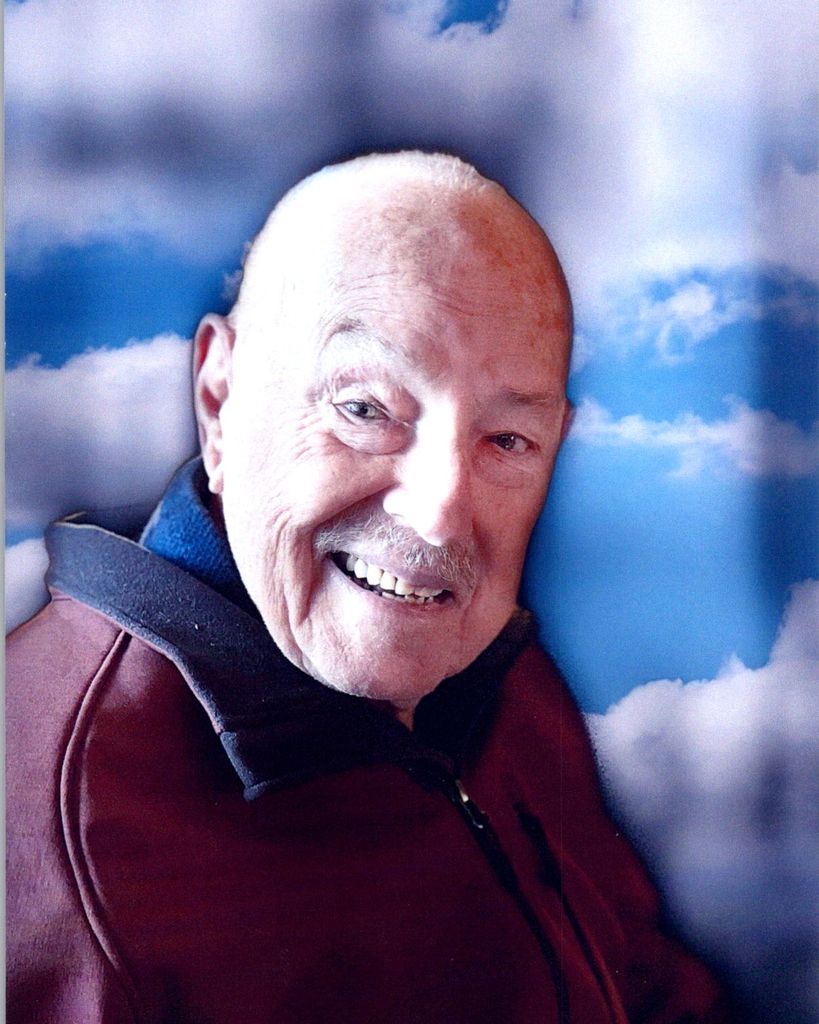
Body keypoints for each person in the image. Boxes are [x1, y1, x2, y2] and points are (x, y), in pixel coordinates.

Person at [7, 151, 728, 1023]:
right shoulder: (51, 841)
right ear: (219, 397)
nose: (440, 515)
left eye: (507, 440)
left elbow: (642, 985)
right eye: (365, 410)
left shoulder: (503, 680)